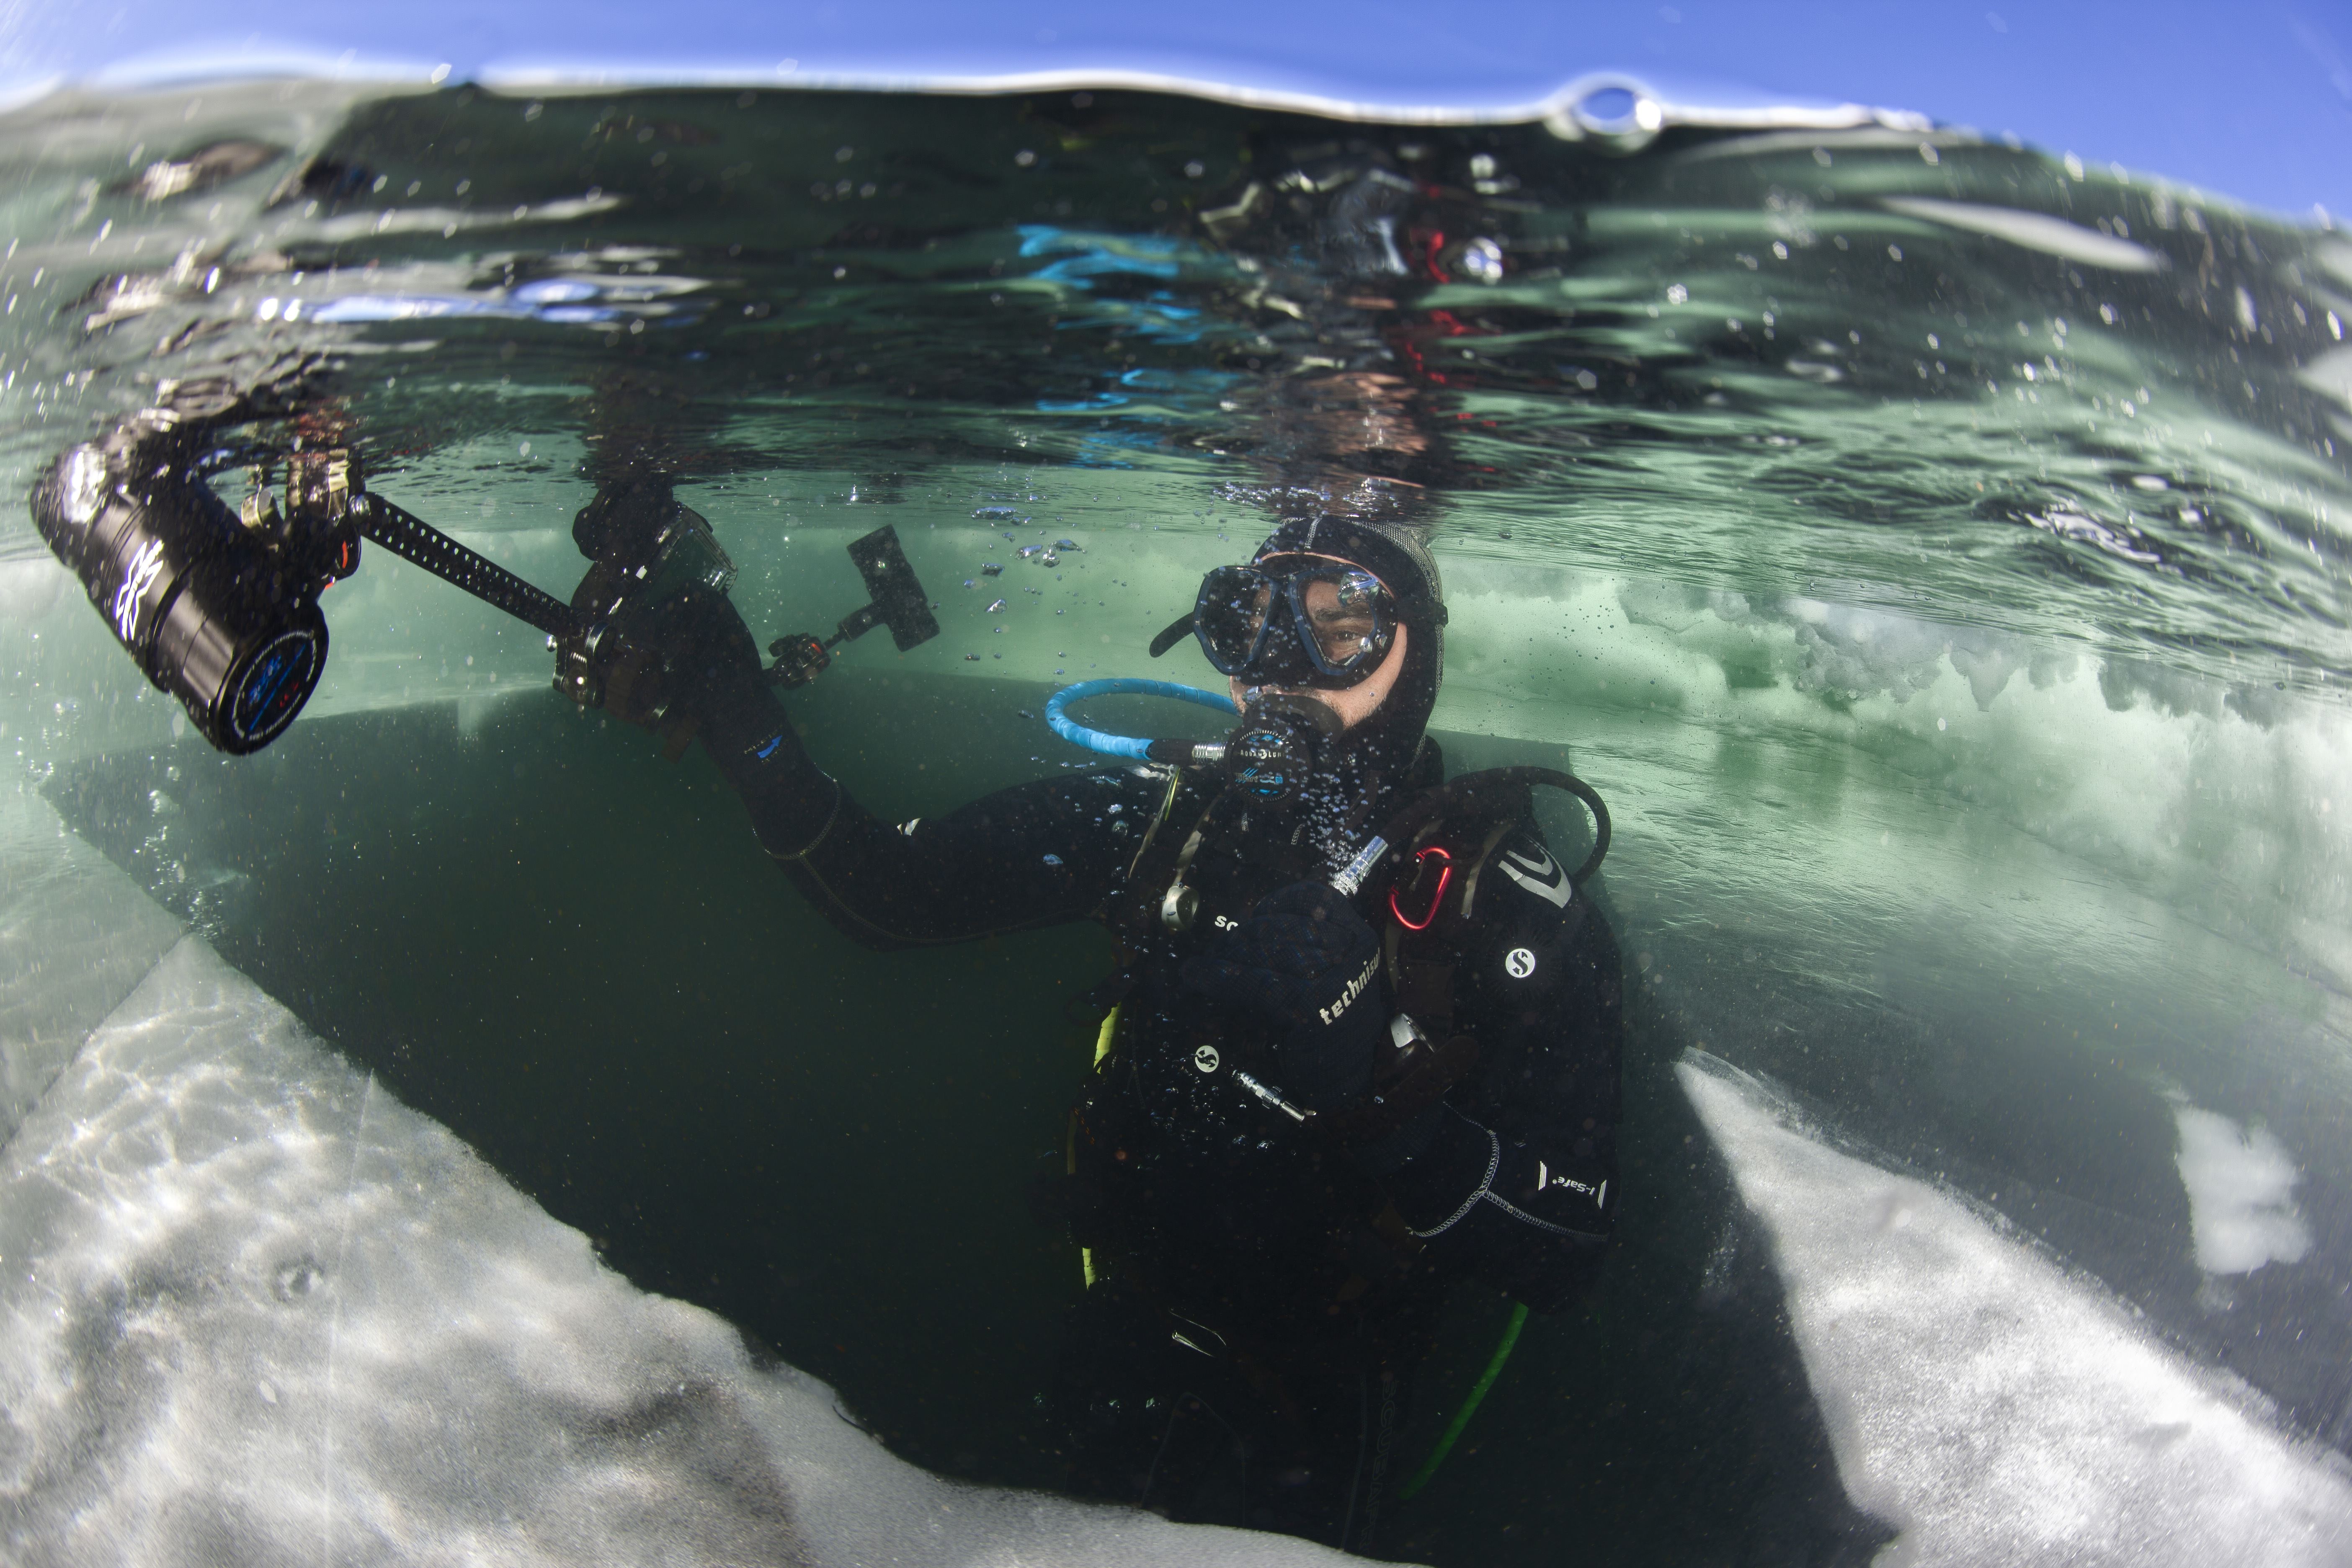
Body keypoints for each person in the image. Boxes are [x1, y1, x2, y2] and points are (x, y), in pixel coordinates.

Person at [577, 481, 1625, 1552]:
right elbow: (886, 894)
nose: (1282, 668)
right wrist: (738, 704)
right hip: (1117, 1337)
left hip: (1324, 1402)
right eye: (1248, 620)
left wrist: (1383, 1099)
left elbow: (1568, 1251)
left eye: (1343, 624)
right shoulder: (1166, 823)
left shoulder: (1503, 907)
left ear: (1420, 651)